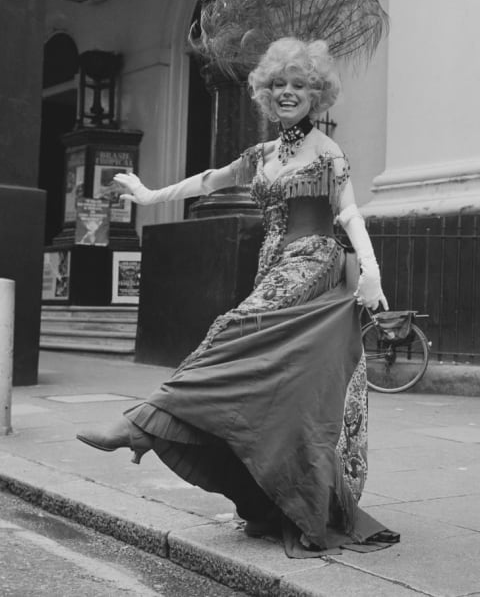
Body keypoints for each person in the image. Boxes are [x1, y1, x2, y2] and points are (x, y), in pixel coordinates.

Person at [77, 37, 398, 555]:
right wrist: (146, 194)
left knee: (229, 332)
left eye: (299, 85)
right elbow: (208, 180)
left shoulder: (326, 150)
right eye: (279, 85)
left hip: (311, 260)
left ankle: (142, 423)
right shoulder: (263, 154)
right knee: (276, 382)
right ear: (266, 94)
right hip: (271, 267)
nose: (288, 93)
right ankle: (270, 501)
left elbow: (349, 212)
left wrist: (374, 271)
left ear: (317, 94)